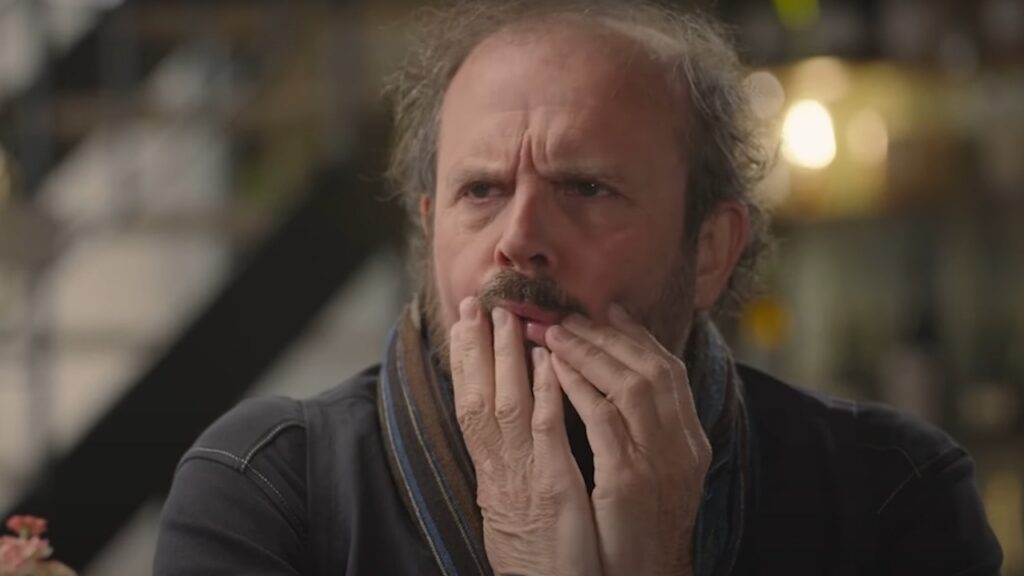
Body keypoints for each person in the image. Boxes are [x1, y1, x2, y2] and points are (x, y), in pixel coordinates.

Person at [153, 1, 1003, 574]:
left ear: (711, 250)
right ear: (430, 227)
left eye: (587, 188)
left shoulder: (889, 490)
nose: (519, 237)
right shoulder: (270, 489)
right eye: (481, 191)